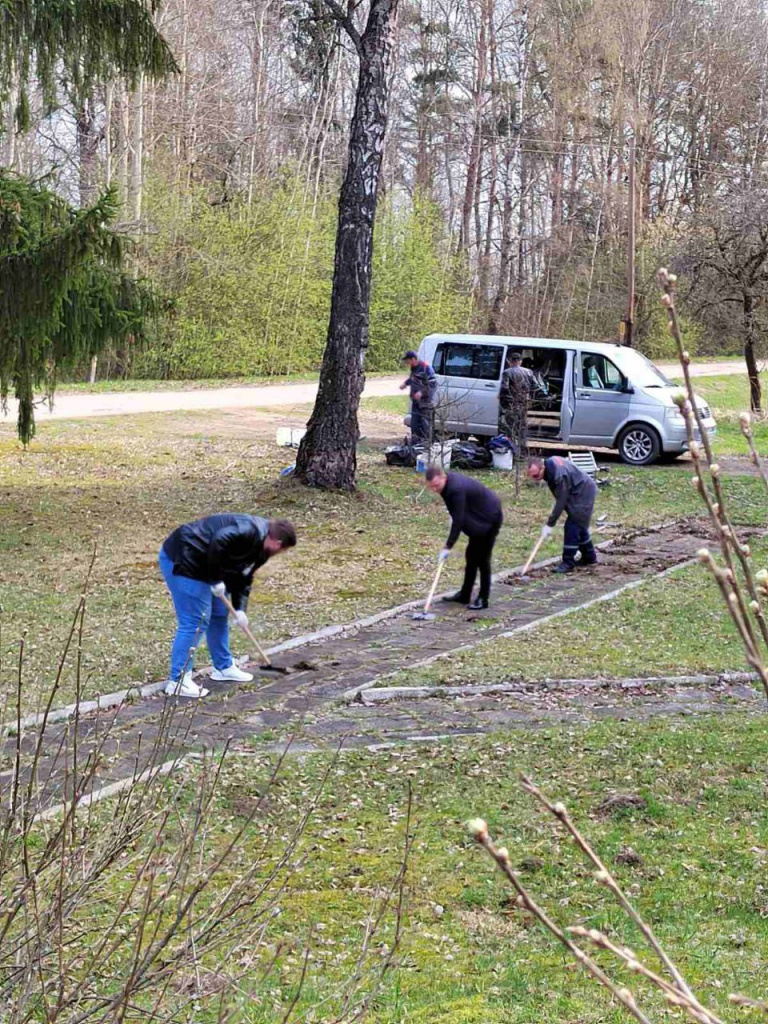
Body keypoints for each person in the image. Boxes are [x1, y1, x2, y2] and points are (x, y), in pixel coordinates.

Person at [159, 514, 297, 697]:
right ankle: (178, 681)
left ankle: (223, 667)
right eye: (283, 548)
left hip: (207, 565)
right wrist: (216, 579)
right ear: (277, 542)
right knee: (196, 620)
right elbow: (218, 540)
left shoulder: (263, 550)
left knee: (219, 612)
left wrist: (240, 609)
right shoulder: (249, 530)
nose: (281, 552)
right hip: (185, 558)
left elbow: (245, 576)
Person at [425, 466, 503, 610]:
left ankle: (483, 599)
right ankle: (465, 595)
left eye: (436, 485)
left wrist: (447, 547)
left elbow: (458, 520)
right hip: (477, 518)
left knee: (482, 560)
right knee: (471, 557)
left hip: (489, 518)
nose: (435, 489)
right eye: (431, 487)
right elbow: (456, 514)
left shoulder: (455, 489)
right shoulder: (446, 486)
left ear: (444, 477)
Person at [527, 456, 597, 574]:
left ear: (542, 467)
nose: (535, 479)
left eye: (536, 476)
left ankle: (568, 562)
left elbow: (561, 501)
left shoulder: (559, 475)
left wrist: (550, 524)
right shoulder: (550, 468)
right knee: (579, 524)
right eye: (532, 477)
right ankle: (589, 557)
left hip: (584, 491)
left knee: (572, 526)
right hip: (576, 490)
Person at [499, 351, 539, 454]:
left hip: (511, 404)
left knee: (510, 428)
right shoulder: (529, 372)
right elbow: (535, 386)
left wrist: (502, 398)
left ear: (510, 361)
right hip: (523, 403)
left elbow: (504, 387)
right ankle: (523, 452)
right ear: (520, 361)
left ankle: (512, 451)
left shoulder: (507, 372)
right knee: (522, 428)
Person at [400, 349, 438, 447]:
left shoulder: (426, 367)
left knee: (426, 425)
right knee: (415, 424)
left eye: (408, 361)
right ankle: (415, 445)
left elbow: (432, 383)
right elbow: (413, 378)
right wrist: (405, 383)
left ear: (413, 359)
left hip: (426, 402)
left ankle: (426, 446)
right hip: (416, 402)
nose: (407, 363)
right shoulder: (414, 368)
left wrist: (422, 392)